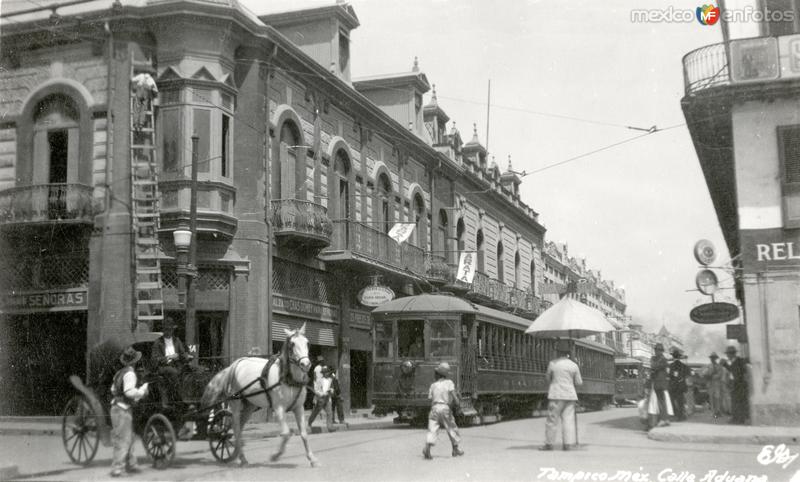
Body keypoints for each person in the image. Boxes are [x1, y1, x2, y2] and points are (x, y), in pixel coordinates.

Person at [110, 346, 149, 477]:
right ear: (134, 361)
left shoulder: (119, 373)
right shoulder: (130, 373)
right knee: (124, 439)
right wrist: (142, 391)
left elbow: (113, 389)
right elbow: (129, 391)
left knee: (128, 437)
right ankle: (118, 468)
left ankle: (131, 463)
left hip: (116, 407)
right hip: (123, 409)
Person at [539, 340, 583, 451]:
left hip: (556, 395)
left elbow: (547, 378)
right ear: (568, 352)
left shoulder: (552, 364)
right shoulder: (573, 365)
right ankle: (568, 444)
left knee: (552, 420)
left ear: (558, 352)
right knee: (568, 420)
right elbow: (579, 382)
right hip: (570, 396)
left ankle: (549, 444)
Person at [422, 362, 463, 459]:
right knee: (451, 427)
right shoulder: (449, 383)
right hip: (445, 408)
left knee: (432, 429)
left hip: (434, 408)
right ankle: (455, 449)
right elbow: (454, 397)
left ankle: (427, 447)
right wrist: (458, 403)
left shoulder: (433, 385)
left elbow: (430, 399)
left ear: (437, 374)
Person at [150, 318, 191, 407]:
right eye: (167, 329)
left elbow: (183, 354)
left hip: (177, 365)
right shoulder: (158, 342)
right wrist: (169, 357)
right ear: (163, 330)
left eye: (171, 329)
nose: (169, 331)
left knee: (195, 369)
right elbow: (154, 359)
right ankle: (180, 398)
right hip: (164, 367)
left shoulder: (177, 340)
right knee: (173, 372)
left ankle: (195, 396)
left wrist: (184, 356)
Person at [725, 346, 750, 424]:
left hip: (740, 385)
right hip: (736, 385)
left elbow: (739, 373)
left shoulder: (739, 361)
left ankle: (740, 419)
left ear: (732, 354)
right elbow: (732, 371)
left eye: (728, 354)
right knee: (735, 402)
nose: (727, 356)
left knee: (739, 402)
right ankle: (735, 418)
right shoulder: (734, 362)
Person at [648, 343, 670, 429]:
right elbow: (653, 366)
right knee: (661, 401)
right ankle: (665, 419)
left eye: (658, 350)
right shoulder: (659, 359)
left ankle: (663, 419)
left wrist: (654, 366)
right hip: (657, 382)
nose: (656, 351)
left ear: (661, 351)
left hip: (660, 383)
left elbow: (654, 366)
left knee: (661, 402)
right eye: (656, 350)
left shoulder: (663, 360)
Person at [307, 366, 334, 431]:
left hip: (328, 399)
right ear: (323, 373)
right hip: (320, 399)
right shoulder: (319, 381)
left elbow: (332, 388)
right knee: (315, 412)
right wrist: (321, 394)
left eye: (327, 372)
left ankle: (330, 427)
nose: (326, 373)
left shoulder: (330, 380)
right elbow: (316, 390)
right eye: (325, 372)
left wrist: (331, 391)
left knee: (329, 413)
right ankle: (309, 422)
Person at [668, 347, 690, 421]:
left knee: (672, 401)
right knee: (680, 401)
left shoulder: (671, 366)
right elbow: (687, 375)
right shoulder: (684, 366)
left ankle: (677, 414)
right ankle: (681, 415)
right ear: (679, 357)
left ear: (673, 356)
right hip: (681, 386)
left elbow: (669, 376)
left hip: (673, 386)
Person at [705, 352, 725, 418]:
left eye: (713, 358)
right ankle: (713, 412)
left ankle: (718, 411)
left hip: (716, 384)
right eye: (711, 358)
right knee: (711, 399)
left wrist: (712, 376)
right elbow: (705, 373)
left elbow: (720, 374)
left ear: (715, 359)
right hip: (710, 384)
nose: (712, 359)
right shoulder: (708, 366)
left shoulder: (719, 366)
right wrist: (707, 375)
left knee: (717, 398)